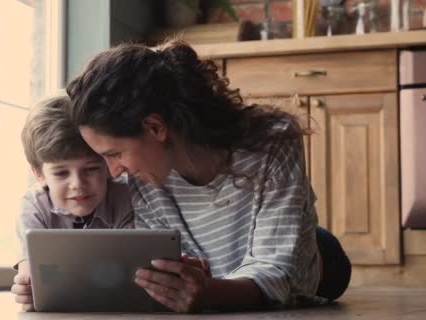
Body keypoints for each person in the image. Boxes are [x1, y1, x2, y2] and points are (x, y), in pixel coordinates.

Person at [66, 39, 351, 313]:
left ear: (155, 127)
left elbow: (278, 275)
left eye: (115, 154)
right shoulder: (143, 178)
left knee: (320, 254)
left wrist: (208, 292)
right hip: (224, 267)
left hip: (315, 262)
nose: (114, 171)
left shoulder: (273, 142)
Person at [11, 95, 134, 311]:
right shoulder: (34, 207)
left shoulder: (125, 196)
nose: (78, 184)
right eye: (60, 173)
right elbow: (30, 276)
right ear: (39, 173)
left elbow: (131, 274)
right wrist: (28, 290)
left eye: (91, 169)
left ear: (107, 163)